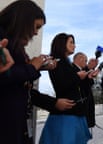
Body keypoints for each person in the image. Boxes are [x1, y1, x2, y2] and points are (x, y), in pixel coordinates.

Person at [0, 1, 68, 144]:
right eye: (36, 27)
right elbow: (5, 75)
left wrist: (37, 66)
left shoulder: (16, 45)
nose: (36, 33)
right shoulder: (3, 41)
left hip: (18, 123)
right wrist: (32, 67)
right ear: (23, 21)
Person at [39, 33, 91, 144]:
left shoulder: (67, 63)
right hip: (65, 116)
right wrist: (78, 77)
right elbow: (62, 85)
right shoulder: (56, 62)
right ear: (62, 44)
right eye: (71, 42)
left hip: (74, 113)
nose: (74, 45)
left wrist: (86, 75)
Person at [72, 52, 99, 128]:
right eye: (85, 61)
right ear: (80, 59)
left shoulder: (81, 70)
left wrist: (91, 71)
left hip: (84, 109)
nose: (86, 63)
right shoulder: (72, 69)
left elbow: (87, 83)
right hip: (79, 111)